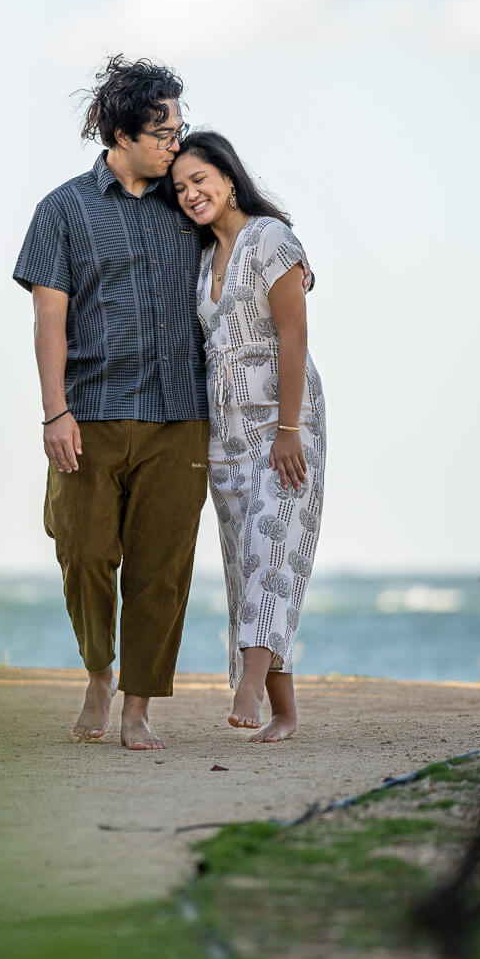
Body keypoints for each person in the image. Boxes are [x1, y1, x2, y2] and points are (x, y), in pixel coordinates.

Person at [13, 56, 209, 750]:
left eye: (180, 131)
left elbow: (251, 236)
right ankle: (99, 669)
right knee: (84, 551)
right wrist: (53, 411)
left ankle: (136, 707)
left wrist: (293, 259)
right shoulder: (63, 210)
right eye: (163, 132)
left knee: (162, 572)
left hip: (181, 416)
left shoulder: (189, 204)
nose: (176, 145)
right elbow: (49, 321)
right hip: (90, 414)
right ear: (122, 132)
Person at [169, 132, 325, 742]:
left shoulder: (271, 239)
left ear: (229, 178)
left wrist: (289, 430)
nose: (190, 194)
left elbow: (294, 336)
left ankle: (247, 687)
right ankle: (284, 712)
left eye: (200, 180)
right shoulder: (204, 260)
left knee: (272, 553)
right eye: (180, 188)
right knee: (248, 567)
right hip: (225, 438)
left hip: (284, 427)